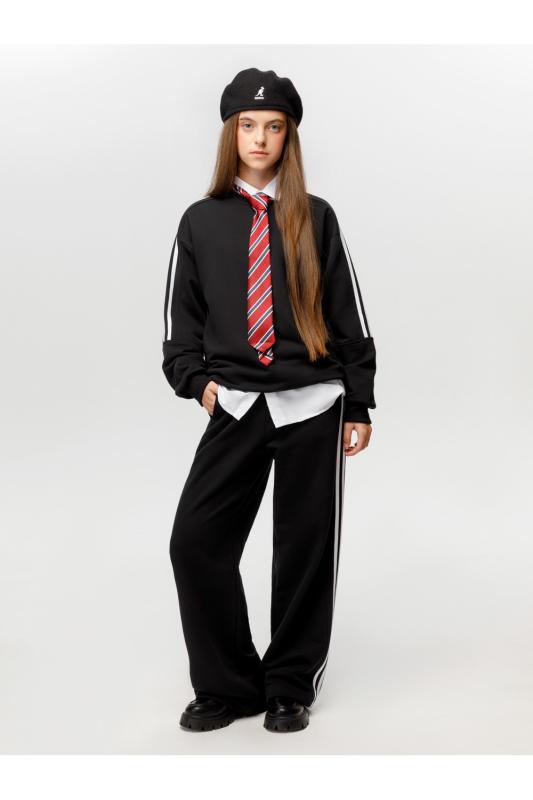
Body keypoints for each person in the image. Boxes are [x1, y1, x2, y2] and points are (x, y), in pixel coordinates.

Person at [162, 67, 377, 733]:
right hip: (235, 404)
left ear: (289, 137)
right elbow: (180, 321)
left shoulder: (316, 216)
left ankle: (288, 685)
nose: (260, 138)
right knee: (195, 542)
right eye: (248, 126)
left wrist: (359, 402)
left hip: (312, 403)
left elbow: (348, 314)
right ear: (231, 133)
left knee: (303, 548)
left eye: (274, 127)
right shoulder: (201, 221)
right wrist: (196, 381)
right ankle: (227, 685)